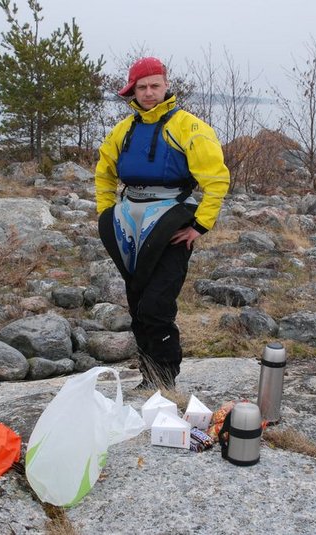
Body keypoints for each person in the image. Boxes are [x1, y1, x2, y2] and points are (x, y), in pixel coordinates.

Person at [95, 57, 230, 390]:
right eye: (142, 87)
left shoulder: (189, 127)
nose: (149, 92)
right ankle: (148, 376)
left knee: (157, 306)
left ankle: (166, 379)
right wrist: (105, 214)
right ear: (134, 90)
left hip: (172, 224)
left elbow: (216, 179)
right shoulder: (123, 131)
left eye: (155, 85)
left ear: (166, 85)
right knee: (138, 303)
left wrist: (200, 225)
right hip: (130, 222)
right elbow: (104, 172)